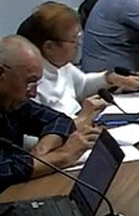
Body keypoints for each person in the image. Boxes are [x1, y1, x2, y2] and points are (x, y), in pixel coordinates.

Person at [17, 2, 139, 129]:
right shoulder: (31, 83)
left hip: (83, 125)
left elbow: (82, 85)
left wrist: (110, 79)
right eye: (73, 40)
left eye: (79, 38)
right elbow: (35, 136)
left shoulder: (62, 66)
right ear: (49, 47)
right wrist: (83, 117)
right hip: (68, 136)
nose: (78, 45)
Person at [0, 36, 98, 193]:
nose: (33, 93)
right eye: (29, 82)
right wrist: (63, 155)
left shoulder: (12, 101)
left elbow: (58, 120)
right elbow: (4, 170)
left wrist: (41, 150)